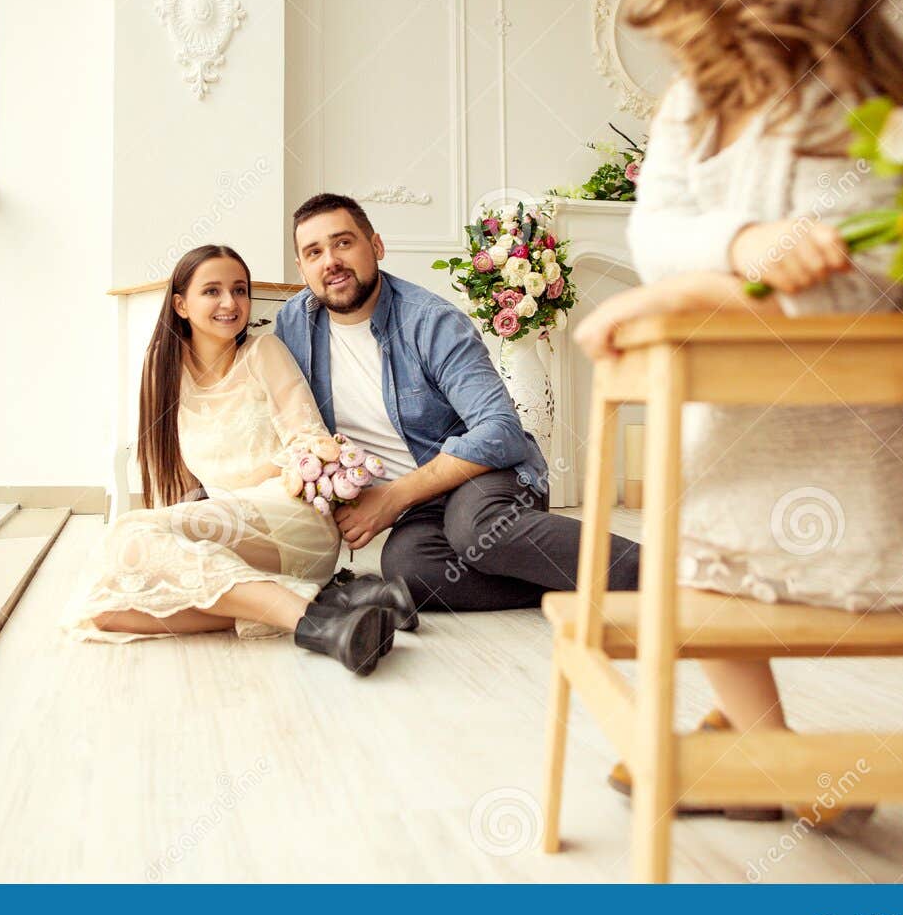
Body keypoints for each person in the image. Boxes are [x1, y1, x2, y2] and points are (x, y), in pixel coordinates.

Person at [572, 0, 903, 827]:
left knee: (709, 573)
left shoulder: (873, 102)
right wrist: (735, 248)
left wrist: (687, 295)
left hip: (845, 422)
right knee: (689, 564)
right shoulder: (695, 105)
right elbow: (657, 229)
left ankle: (769, 753)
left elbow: (846, 285)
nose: (703, 12)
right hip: (734, 418)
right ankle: (757, 741)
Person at [274, 195, 641, 617]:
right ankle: (564, 586)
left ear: (375, 246)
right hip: (423, 508)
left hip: (487, 475)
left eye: (343, 243)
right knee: (408, 569)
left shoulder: (430, 321)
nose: (330, 261)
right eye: (314, 252)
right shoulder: (292, 326)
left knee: (478, 530)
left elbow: (500, 429)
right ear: (302, 269)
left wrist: (393, 497)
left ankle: (657, 575)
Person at [60, 245, 408, 676]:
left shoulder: (264, 353)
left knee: (128, 532)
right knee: (103, 611)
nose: (230, 303)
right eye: (212, 291)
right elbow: (183, 480)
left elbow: (309, 437)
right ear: (181, 305)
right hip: (231, 526)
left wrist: (301, 467)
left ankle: (320, 625)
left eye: (239, 290)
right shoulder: (164, 373)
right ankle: (320, 603)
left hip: (291, 517)